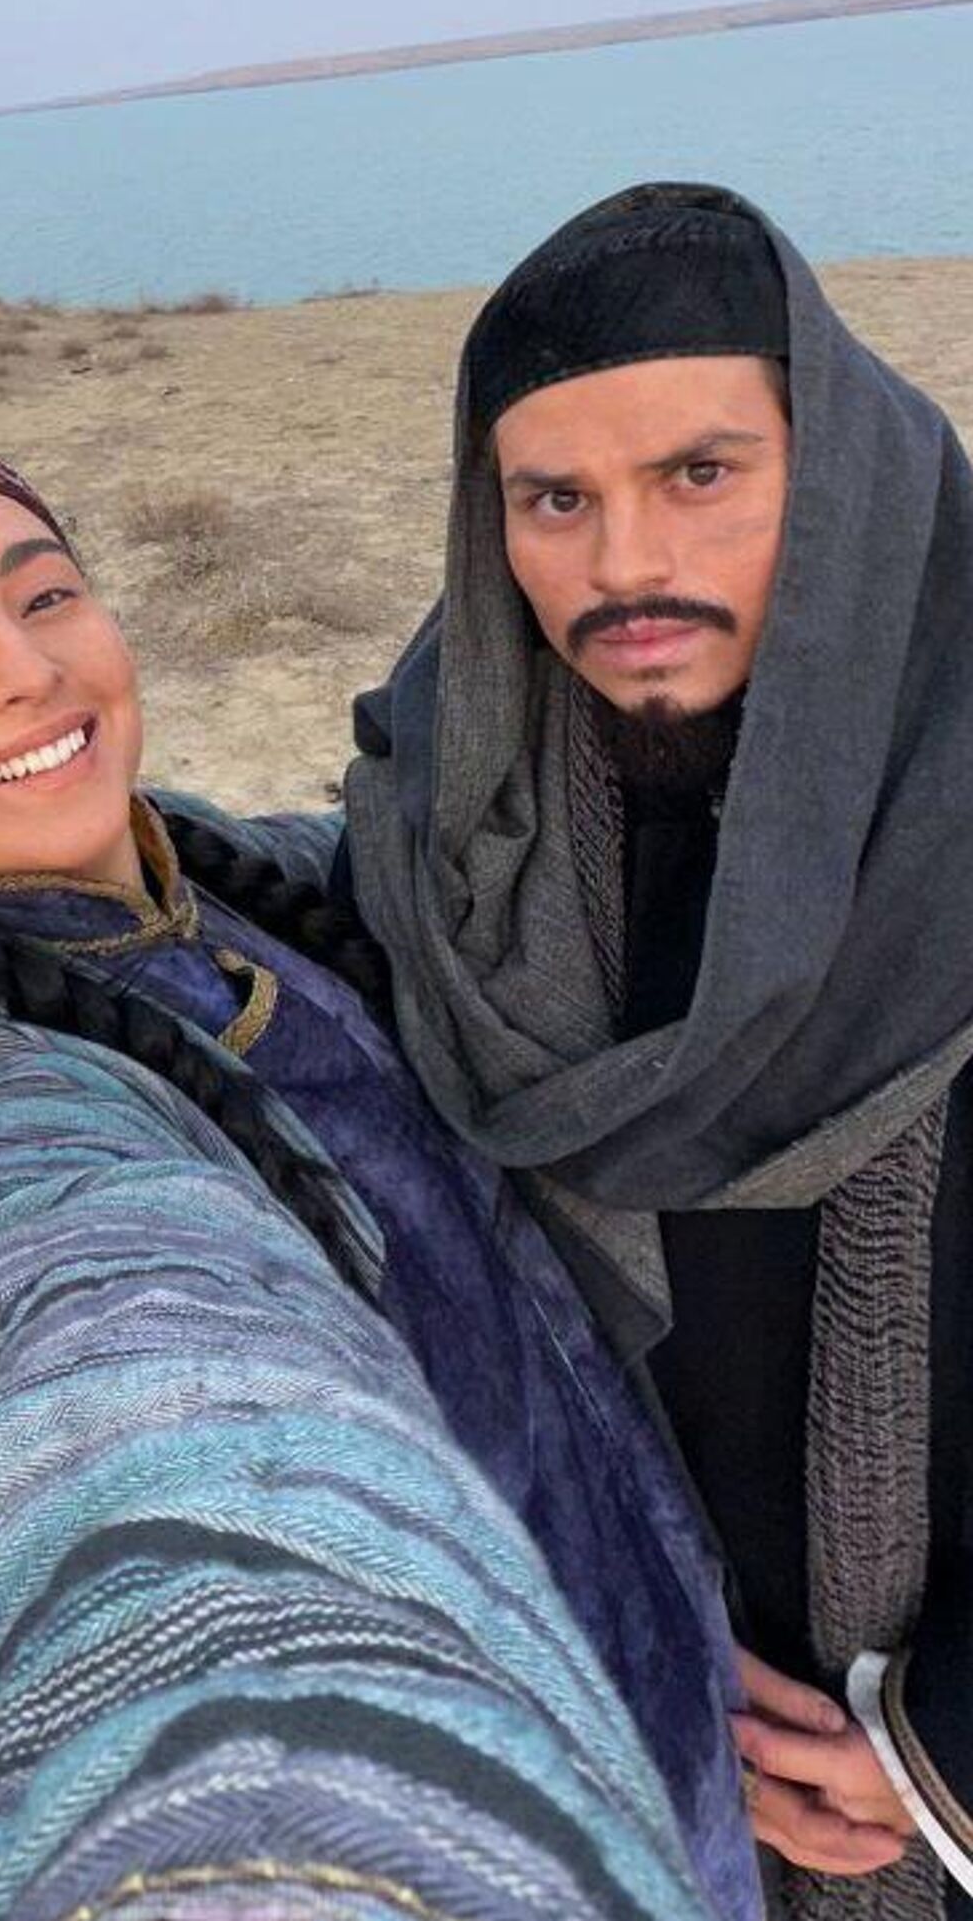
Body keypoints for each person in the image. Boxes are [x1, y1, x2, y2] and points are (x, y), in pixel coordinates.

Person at [0, 440, 755, 1918]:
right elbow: (113, 1403)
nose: (27, 670)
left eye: (46, 594)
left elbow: (510, 798)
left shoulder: (233, 880)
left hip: (677, 1738)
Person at [341, 182, 973, 1918]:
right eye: (556, 499)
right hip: (643, 1768)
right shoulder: (459, 846)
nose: (624, 565)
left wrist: (939, 1747)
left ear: (835, 473)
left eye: (701, 473)